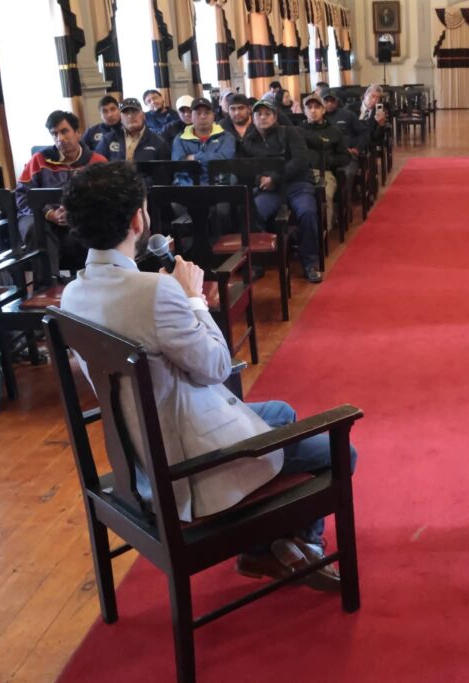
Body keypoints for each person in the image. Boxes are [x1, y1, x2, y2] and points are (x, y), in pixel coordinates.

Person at [59, 161, 353, 589]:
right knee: (342, 451)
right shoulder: (156, 292)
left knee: (281, 411)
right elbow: (216, 367)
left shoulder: (72, 293)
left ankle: (265, 544)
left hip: (140, 452)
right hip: (189, 466)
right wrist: (192, 297)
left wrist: (174, 299)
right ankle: (299, 545)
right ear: (138, 220)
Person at [239, 99, 323, 283]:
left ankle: (310, 263)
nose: (263, 117)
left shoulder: (290, 132)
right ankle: (258, 263)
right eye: (259, 114)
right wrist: (260, 180)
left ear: (275, 116)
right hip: (269, 190)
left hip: (296, 184)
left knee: (307, 213)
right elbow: (246, 167)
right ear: (253, 117)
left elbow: (300, 161)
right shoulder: (249, 140)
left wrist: (274, 178)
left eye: (267, 114)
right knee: (253, 212)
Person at [15, 110, 107, 276]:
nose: (60, 138)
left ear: (78, 132)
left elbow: (105, 197)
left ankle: (92, 282)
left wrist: (74, 213)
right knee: (34, 227)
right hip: (42, 216)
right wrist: (49, 213)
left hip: (80, 217)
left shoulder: (97, 161)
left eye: (64, 131)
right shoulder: (39, 160)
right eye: (54, 134)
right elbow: (22, 195)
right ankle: (47, 284)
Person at [298, 92, 354, 232]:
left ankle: (323, 232)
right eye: (309, 107)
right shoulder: (297, 132)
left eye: (317, 107)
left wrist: (328, 160)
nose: (313, 110)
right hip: (301, 174)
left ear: (323, 110)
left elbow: (345, 157)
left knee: (325, 194)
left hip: (325, 173)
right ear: (304, 111)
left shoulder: (334, 131)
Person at [171, 97, 237, 186]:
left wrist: (194, 158)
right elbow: (179, 167)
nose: (203, 116)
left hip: (220, 187)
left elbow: (225, 163)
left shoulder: (226, 137)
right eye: (198, 113)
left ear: (213, 116)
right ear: (191, 117)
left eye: (207, 113)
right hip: (188, 188)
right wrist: (211, 160)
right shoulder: (180, 139)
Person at [96, 98, 171, 163]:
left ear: (143, 116)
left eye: (134, 112)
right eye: (126, 113)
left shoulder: (158, 142)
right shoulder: (108, 140)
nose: (130, 116)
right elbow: (96, 166)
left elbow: (165, 171)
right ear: (120, 118)